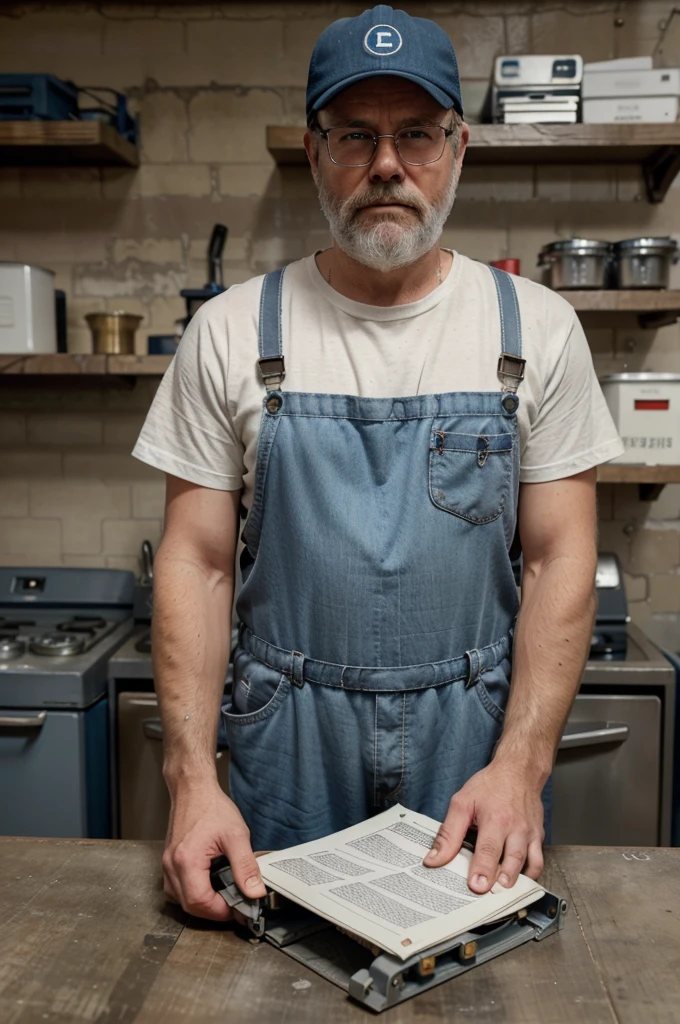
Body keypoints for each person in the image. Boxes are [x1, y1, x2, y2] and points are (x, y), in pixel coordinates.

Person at [133, 4, 624, 921]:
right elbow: (195, 563)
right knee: (278, 972)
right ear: (317, 153)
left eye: (417, 134)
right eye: (356, 134)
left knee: (472, 977)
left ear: (459, 147)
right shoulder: (233, 331)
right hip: (287, 738)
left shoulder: (535, 329)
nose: (388, 164)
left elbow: (562, 560)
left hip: (473, 741)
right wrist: (191, 781)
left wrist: (521, 763)